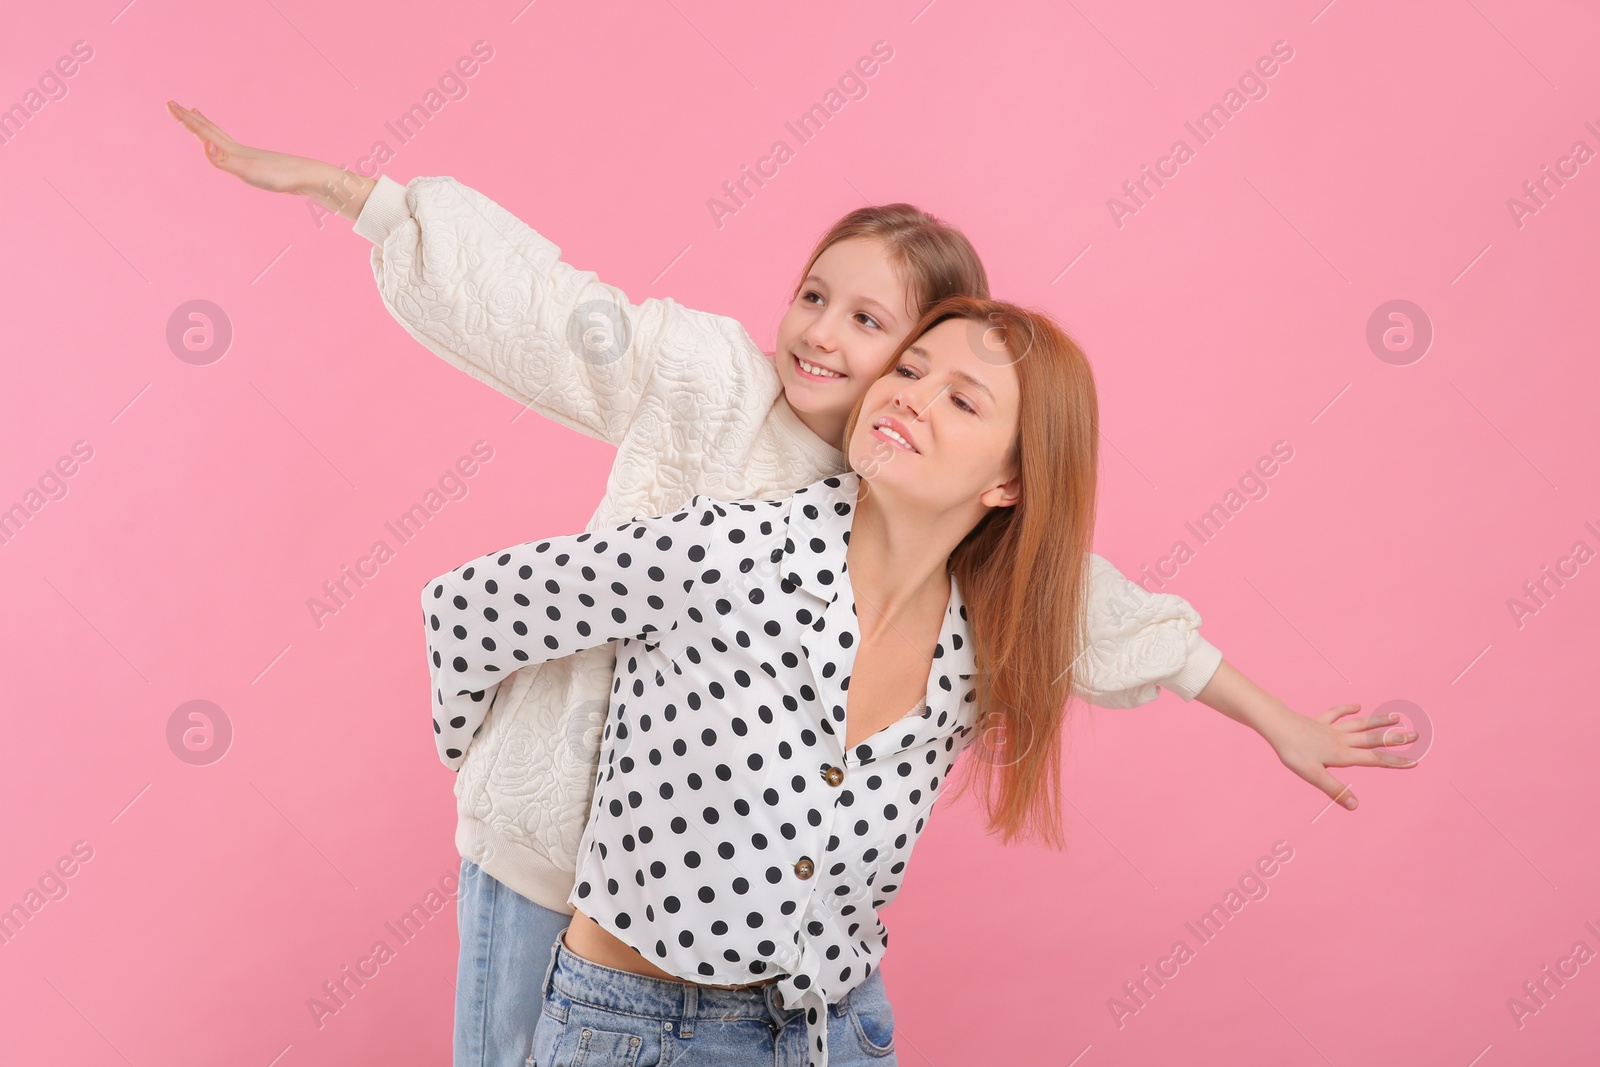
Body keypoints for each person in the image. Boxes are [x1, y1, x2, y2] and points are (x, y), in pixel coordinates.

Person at [168, 104, 1414, 1065]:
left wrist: (1280, 720)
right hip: (552, 851)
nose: (820, 334)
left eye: (873, 327)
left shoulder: (943, 519)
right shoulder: (713, 383)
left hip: (771, 972)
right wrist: (372, 203)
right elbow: (551, 317)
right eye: (812, 295)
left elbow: (1097, 608)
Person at [422, 297, 1419, 1067]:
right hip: (632, 1026)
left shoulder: (985, 643)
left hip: (830, 1028)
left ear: (1009, 482)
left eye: (961, 398)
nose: (907, 394)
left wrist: (1279, 719)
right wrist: (492, 778)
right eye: (908, 368)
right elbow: (464, 612)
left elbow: (1123, 624)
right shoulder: (725, 549)